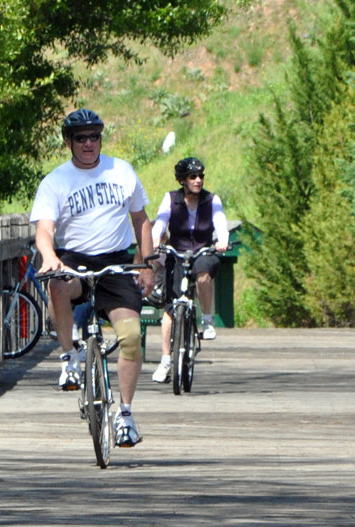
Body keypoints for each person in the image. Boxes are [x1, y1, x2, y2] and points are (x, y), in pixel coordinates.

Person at [30, 108, 155, 447]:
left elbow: (141, 220)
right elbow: (44, 229)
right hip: (74, 259)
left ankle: (125, 414)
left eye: (94, 137)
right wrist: (51, 257)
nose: (89, 144)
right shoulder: (55, 181)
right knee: (58, 284)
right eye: (81, 138)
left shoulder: (122, 171)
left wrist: (146, 264)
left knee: (130, 337)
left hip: (116, 262)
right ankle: (69, 356)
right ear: (69, 142)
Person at [150, 157, 229, 383]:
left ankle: (206, 320)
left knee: (204, 274)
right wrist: (156, 238)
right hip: (178, 252)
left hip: (203, 252)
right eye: (193, 177)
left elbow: (221, 223)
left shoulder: (211, 200)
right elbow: (161, 221)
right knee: (169, 309)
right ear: (182, 180)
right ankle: (166, 360)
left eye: (201, 176)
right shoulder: (171, 199)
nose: (198, 180)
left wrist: (222, 240)